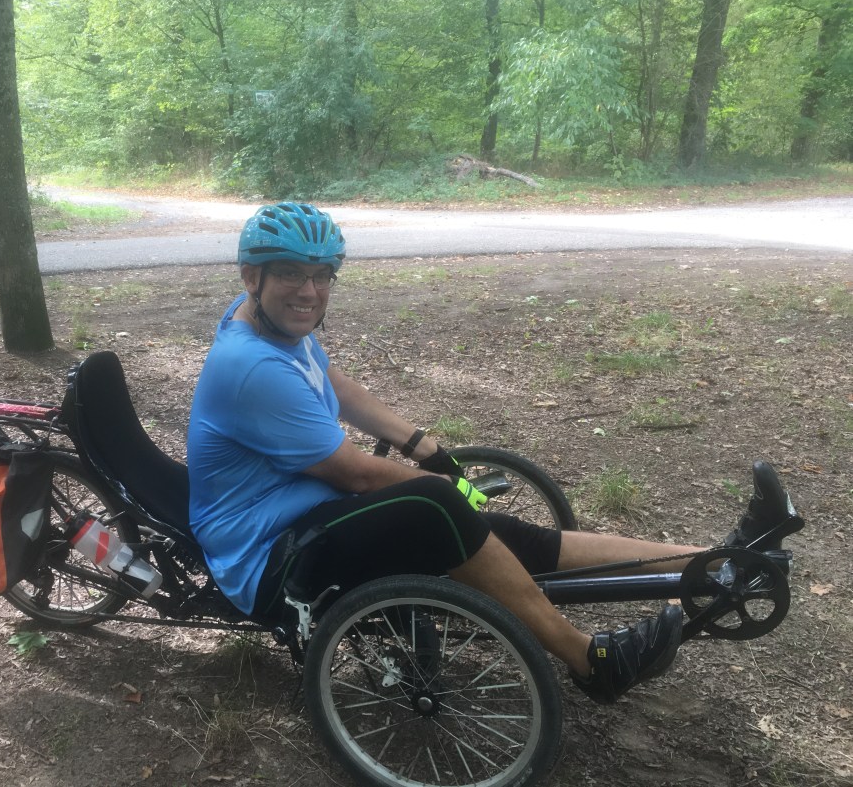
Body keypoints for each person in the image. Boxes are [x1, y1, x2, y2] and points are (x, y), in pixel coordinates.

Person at [186, 201, 802, 705]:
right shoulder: (250, 367)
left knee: (511, 537)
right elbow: (354, 474)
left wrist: (421, 443)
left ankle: (724, 559)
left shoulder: (269, 325)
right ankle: (593, 662)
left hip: (308, 517)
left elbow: (332, 382)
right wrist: (442, 485)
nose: (310, 290)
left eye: (322, 275)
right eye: (291, 273)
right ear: (251, 277)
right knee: (436, 505)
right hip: (269, 556)